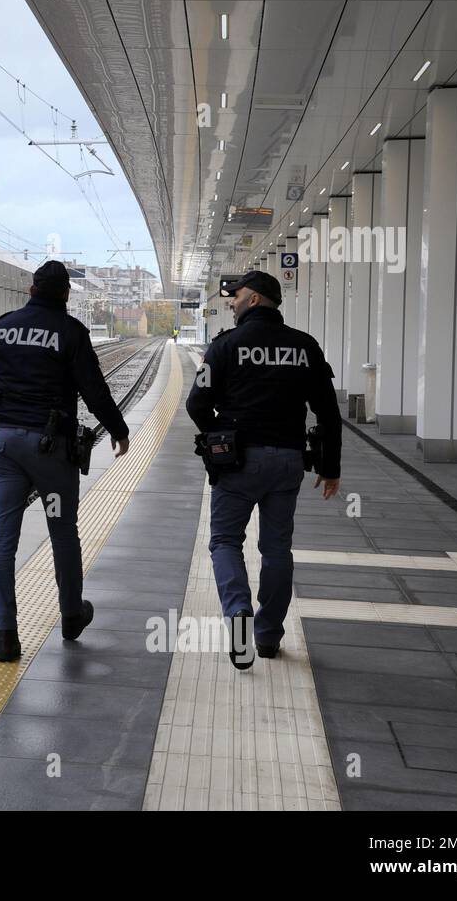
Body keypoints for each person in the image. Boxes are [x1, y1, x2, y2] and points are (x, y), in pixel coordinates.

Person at [0, 259, 132, 663]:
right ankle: (71, 615)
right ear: (65, 294)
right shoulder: (70, 332)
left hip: (5, 447)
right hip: (50, 452)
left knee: (4, 537)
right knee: (61, 531)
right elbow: (94, 390)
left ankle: (5, 635)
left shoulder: (2, 327)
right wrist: (118, 429)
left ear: (31, 289)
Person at [186, 269, 342, 670]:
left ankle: (238, 615)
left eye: (236, 295)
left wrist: (220, 439)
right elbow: (327, 411)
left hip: (238, 461)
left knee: (224, 542)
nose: (232, 302)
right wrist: (330, 467)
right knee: (276, 548)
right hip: (288, 459)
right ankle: (269, 635)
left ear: (254, 298)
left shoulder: (224, 346)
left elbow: (196, 404)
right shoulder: (305, 347)